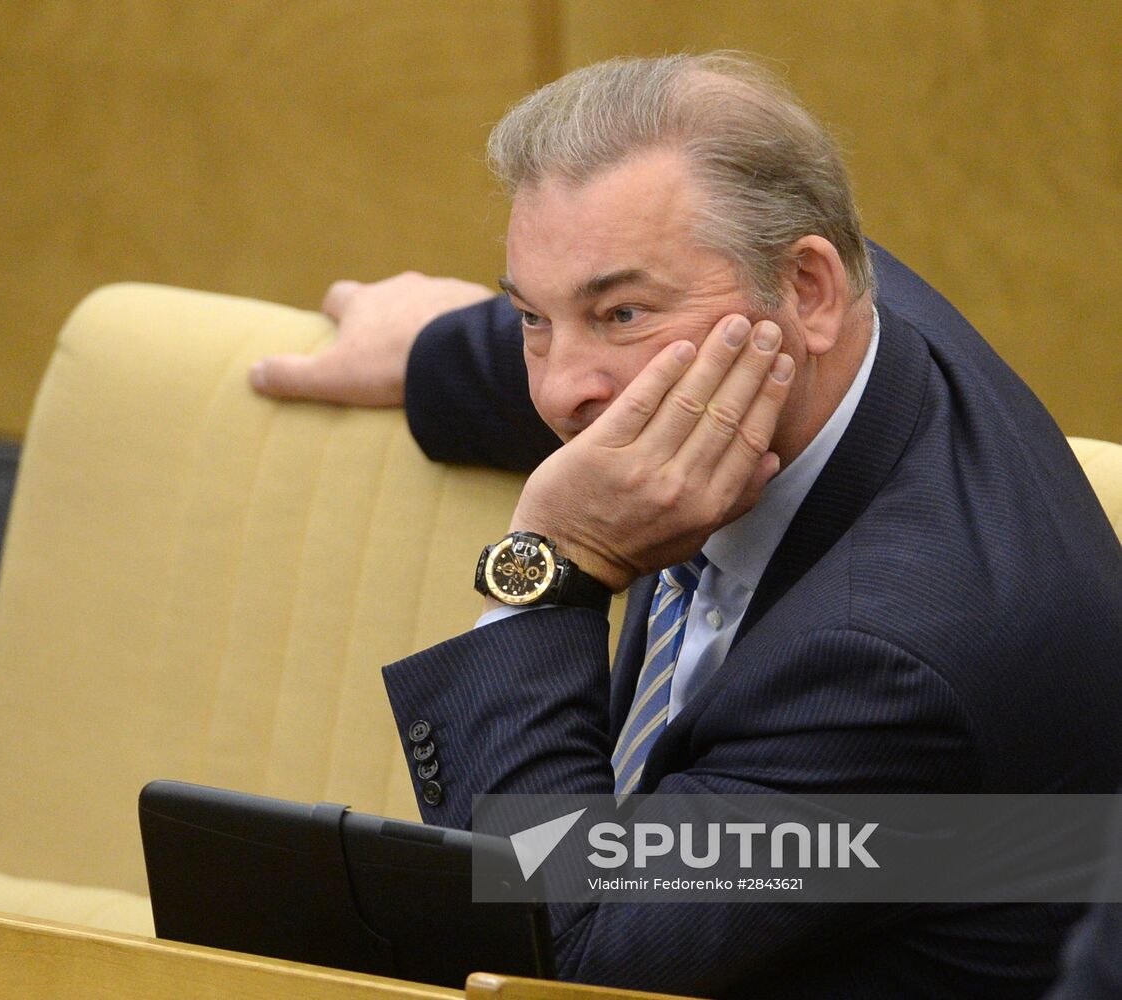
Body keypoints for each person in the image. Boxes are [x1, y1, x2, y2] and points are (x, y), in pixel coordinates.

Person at [253, 53, 1122, 999]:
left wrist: (552, 568)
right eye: (533, 318)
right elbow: (614, 340)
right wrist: (433, 352)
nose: (557, 388)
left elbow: (555, 950)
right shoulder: (807, 314)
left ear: (808, 291)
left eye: (619, 313)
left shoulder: (889, 662)